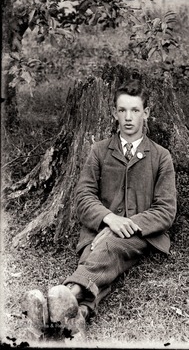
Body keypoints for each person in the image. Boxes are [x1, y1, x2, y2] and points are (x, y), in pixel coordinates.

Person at [22, 78, 177, 341]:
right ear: (114, 113)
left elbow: (165, 210)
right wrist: (109, 219)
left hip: (140, 236)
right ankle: (77, 316)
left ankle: (64, 294)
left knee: (106, 249)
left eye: (135, 110)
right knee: (103, 264)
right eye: (122, 110)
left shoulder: (161, 156)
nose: (128, 118)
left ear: (146, 113)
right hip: (96, 232)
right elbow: (83, 197)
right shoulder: (99, 151)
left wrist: (125, 225)